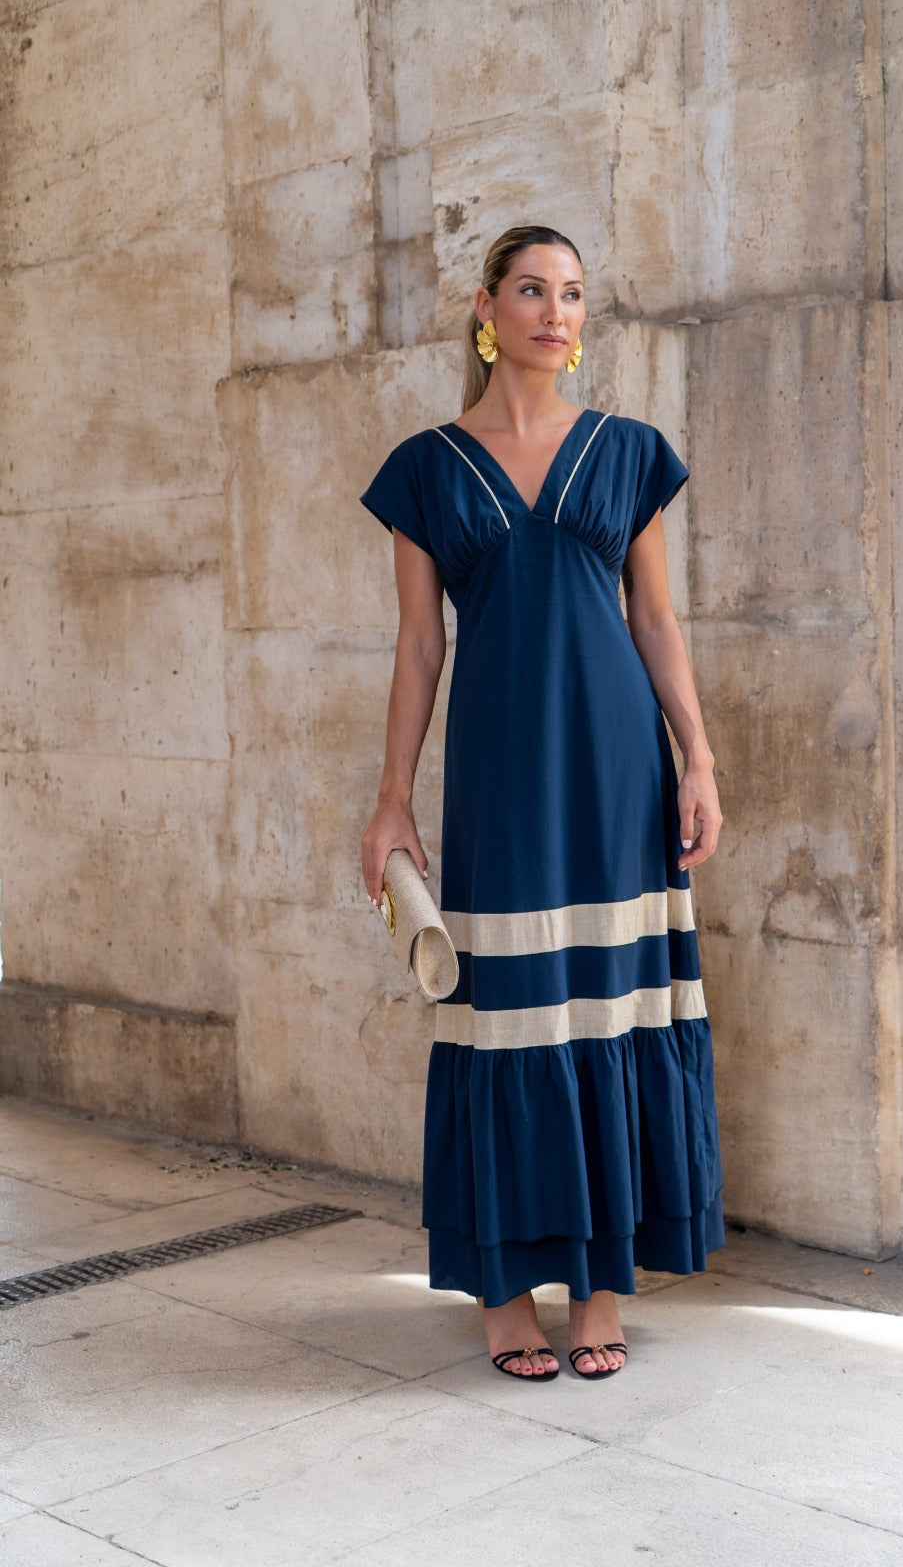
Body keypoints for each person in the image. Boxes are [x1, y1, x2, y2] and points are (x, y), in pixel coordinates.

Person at [360, 225, 724, 1382]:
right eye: (531, 290)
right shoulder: (427, 468)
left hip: (618, 766)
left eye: (571, 293)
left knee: (610, 1012)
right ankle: (506, 1291)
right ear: (486, 309)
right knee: (509, 1016)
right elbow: (419, 646)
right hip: (502, 773)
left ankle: (600, 1285)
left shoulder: (628, 452)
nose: (555, 312)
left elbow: (653, 618)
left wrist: (698, 758)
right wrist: (391, 802)